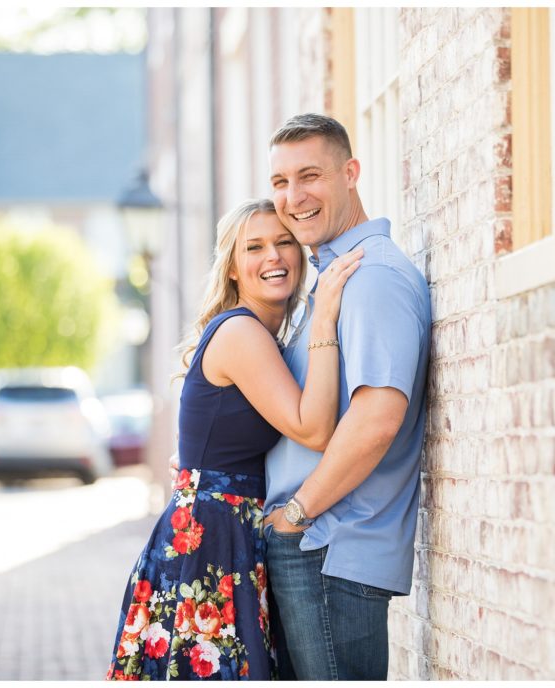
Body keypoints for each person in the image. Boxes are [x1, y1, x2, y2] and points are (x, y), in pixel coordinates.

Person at [174, 113, 432, 680]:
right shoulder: (332, 280)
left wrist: (296, 514)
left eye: (310, 175)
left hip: (328, 543)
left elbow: (378, 417)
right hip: (309, 543)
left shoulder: (371, 279)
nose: (294, 196)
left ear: (351, 173)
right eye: (281, 181)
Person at [106, 198, 363, 681]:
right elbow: (314, 428)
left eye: (284, 242)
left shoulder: (261, 336)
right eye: (256, 247)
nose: (274, 256)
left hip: (225, 531)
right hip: (212, 540)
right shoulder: (242, 332)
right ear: (232, 269)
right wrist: (325, 318)